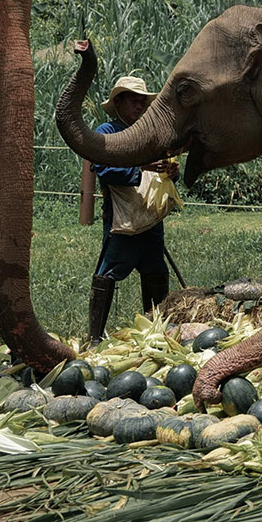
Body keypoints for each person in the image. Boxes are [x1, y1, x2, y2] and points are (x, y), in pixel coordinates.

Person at [83, 72, 175, 342]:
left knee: (155, 270)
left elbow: (163, 167)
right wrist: (141, 168)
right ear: (119, 102)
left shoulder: (150, 133)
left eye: (142, 101)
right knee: (108, 272)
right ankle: (95, 338)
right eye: (134, 100)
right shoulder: (107, 133)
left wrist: (171, 172)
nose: (139, 105)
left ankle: (156, 333)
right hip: (122, 218)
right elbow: (104, 169)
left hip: (150, 216)